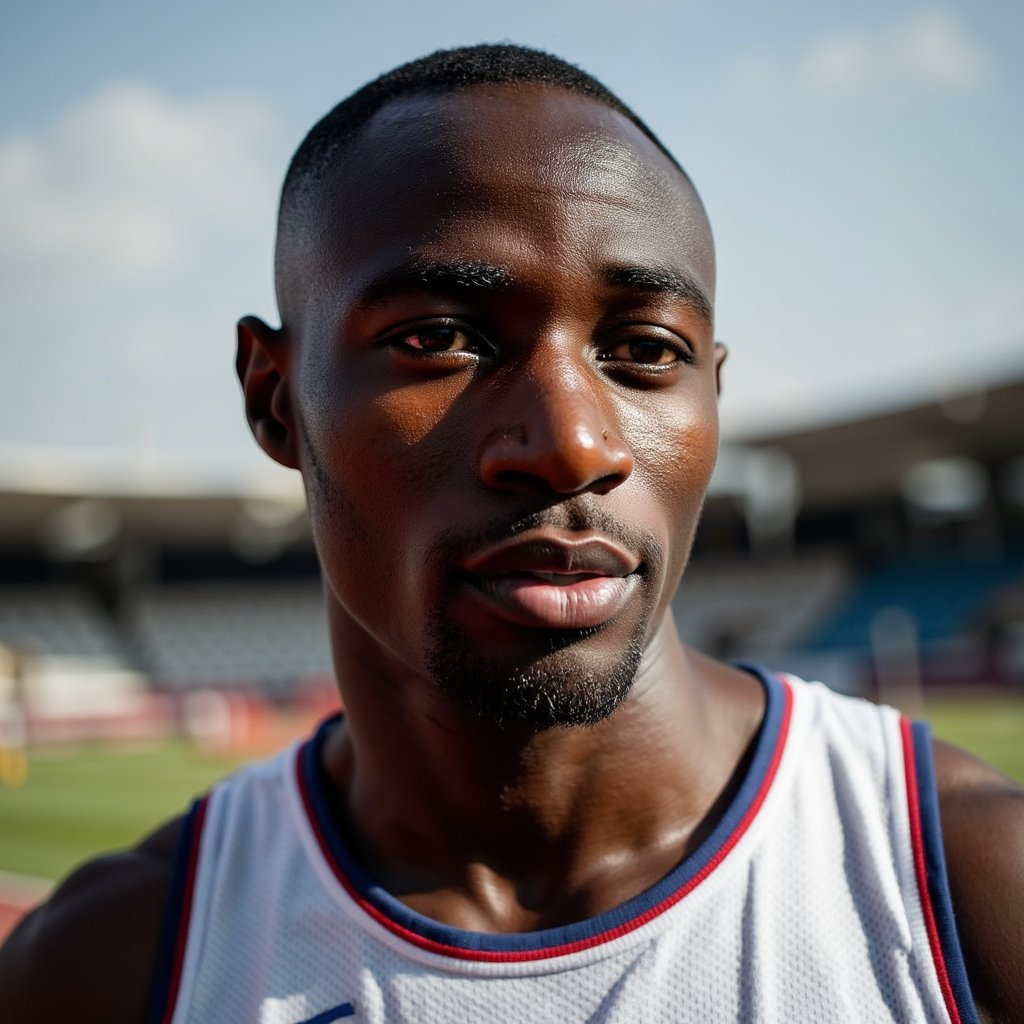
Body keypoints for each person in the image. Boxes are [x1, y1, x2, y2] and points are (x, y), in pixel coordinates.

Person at [1, 43, 1022, 1024]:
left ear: (714, 397)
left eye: (644, 350)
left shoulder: (978, 897)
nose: (573, 443)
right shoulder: (106, 969)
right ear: (275, 401)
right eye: (439, 338)